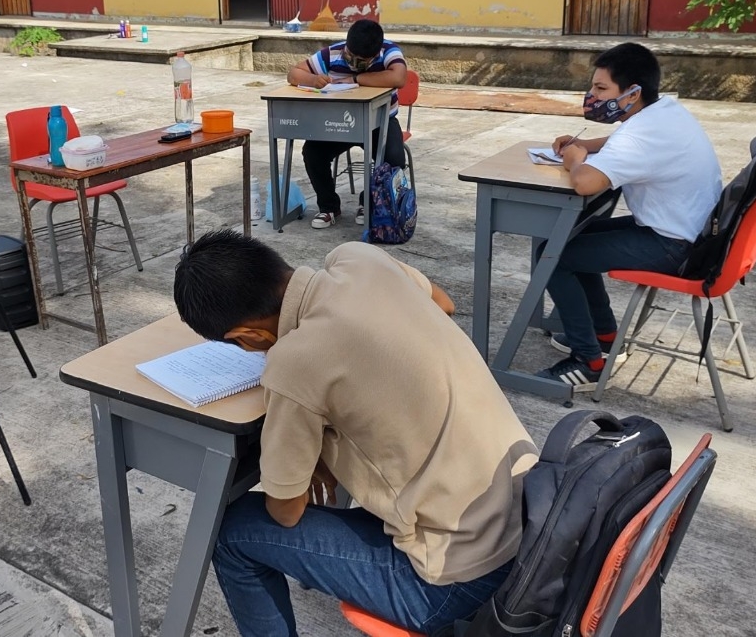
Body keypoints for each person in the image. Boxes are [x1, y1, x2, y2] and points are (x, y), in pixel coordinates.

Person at [174, 231, 537, 637]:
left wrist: (308, 447)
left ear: (248, 336)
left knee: (233, 533)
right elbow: (444, 304)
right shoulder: (360, 259)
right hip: (529, 518)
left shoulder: (294, 364)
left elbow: (286, 511)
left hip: (453, 577)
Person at [538, 42, 723, 390]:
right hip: (692, 233)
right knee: (569, 241)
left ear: (633, 93)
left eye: (601, 88)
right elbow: (622, 139)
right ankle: (605, 336)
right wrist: (587, 145)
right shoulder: (663, 111)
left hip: (675, 246)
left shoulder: (642, 133)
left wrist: (575, 159)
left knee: (552, 254)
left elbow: (585, 183)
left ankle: (589, 362)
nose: (592, 95)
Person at [286, 18, 408, 229]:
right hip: (338, 123)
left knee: (395, 158)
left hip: (380, 122)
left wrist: (356, 79)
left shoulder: (389, 52)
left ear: (376, 53)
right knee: (312, 153)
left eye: (361, 60)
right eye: (350, 55)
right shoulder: (332, 54)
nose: (352, 62)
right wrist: (313, 80)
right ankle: (329, 206)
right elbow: (293, 73)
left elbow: (399, 77)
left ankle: (367, 201)